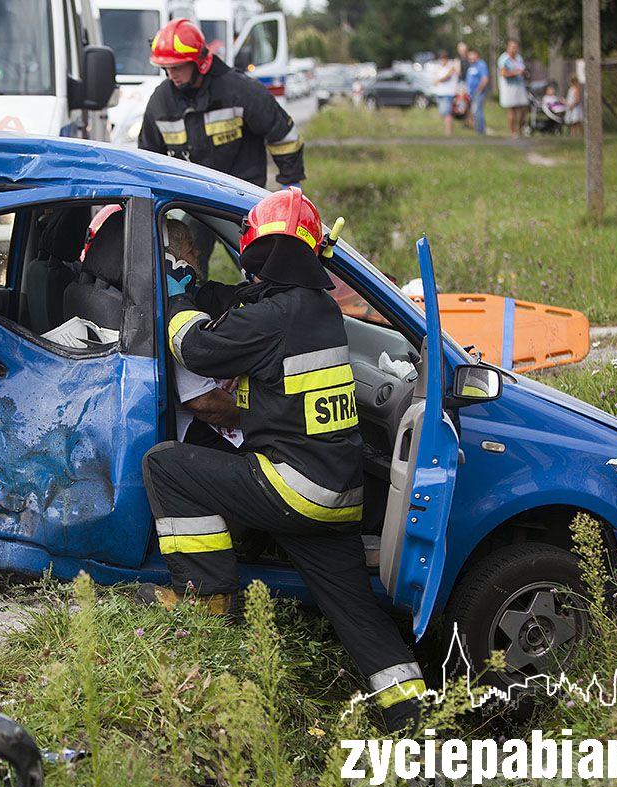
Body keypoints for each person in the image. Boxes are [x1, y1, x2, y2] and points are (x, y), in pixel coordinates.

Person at [138, 187, 424, 733]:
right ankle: (414, 720)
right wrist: (205, 290)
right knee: (357, 614)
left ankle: (205, 600)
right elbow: (248, 311)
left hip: (291, 487)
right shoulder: (315, 308)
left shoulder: (274, 317)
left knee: (166, 465)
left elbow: (196, 349)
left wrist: (177, 299)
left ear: (257, 248)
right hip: (336, 495)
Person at [139, 18, 305, 189]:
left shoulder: (240, 90)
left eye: (177, 67)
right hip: (189, 202)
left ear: (198, 62)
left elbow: (283, 135)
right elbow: (148, 157)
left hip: (242, 199)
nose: (171, 74)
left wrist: (291, 184)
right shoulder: (161, 101)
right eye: (165, 68)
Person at [164, 217, 243, 449]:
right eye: (191, 248)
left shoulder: (185, 299)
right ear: (172, 261)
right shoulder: (173, 310)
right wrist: (260, 420)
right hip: (197, 433)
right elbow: (203, 401)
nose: (198, 251)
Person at [497, 39, 528, 138]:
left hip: (520, 85)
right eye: (512, 47)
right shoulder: (503, 59)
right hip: (508, 87)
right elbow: (503, 73)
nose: (513, 49)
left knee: (523, 108)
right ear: (508, 47)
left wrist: (523, 73)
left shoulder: (519, 58)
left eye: (515, 47)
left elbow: (522, 70)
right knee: (512, 109)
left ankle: (521, 129)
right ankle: (513, 132)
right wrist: (516, 72)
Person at [433, 52, 460, 136]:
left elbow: (447, 77)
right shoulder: (439, 68)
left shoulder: (451, 67)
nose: (442, 61)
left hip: (448, 93)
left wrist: (439, 80)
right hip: (440, 93)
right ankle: (448, 130)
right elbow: (435, 79)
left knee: (447, 112)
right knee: (443, 113)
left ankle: (448, 132)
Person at [466, 47, 490, 135]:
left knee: (477, 111)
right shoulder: (472, 65)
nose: (470, 57)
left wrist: (478, 90)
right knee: (475, 111)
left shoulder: (481, 65)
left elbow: (485, 78)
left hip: (479, 93)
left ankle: (480, 131)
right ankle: (479, 129)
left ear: (477, 55)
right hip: (472, 93)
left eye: (472, 54)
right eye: (469, 55)